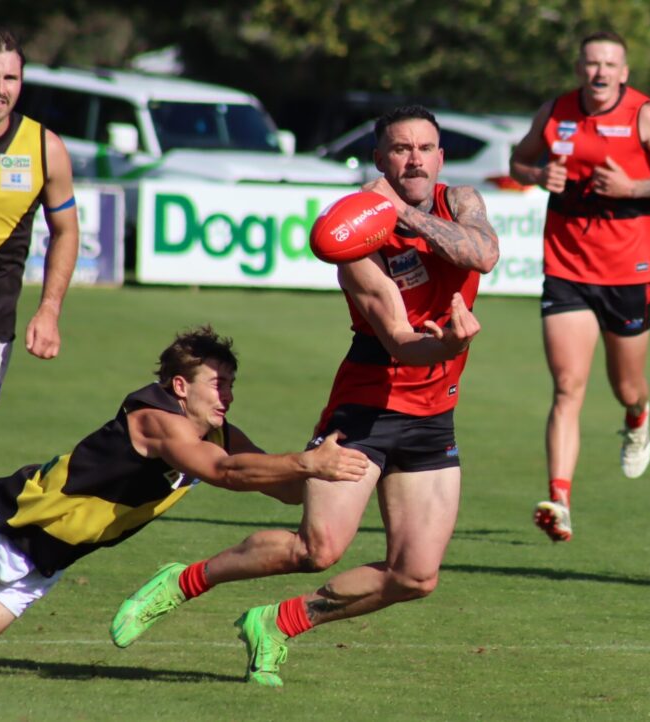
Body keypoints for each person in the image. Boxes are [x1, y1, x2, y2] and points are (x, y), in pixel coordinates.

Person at [109, 105, 499, 687]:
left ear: (441, 156)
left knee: (416, 576)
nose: (414, 158)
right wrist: (443, 347)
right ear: (379, 159)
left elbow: (483, 254)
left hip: (434, 415)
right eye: (400, 148)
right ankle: (183, 580)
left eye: (425, 147)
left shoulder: (461, 200)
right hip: (369, 410)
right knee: (316, 548)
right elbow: (397, 340)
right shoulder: (353, 235)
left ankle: (278, 623)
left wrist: (408, 218)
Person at [0, 325, 370, 651]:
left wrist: (353, 467)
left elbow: (284, 490)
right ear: (180, 386)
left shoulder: (218, 435)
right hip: (2, 527)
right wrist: (307, 463)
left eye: (231, 385)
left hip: (46, 562)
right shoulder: (155, 420)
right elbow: (226, 472)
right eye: (218, 384)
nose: (227, 396)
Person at [508, 30, 650, 542]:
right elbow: (517, 162)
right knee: (568, 387)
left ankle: (637, 417)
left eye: (610, 64)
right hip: (566, 266)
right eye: (592, 63)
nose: (600, 73)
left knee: (626, 386)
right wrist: (537, 173)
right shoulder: (556, 111)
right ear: (579, 68)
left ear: (624, 72)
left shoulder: (643, 115)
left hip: (628, 270)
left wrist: (633, 187)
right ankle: (560, 499)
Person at [0, 28, 79, 451]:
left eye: (11, 79)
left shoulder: (43, 148)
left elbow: (66, 231)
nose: (0, 90)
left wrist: (49, 310)